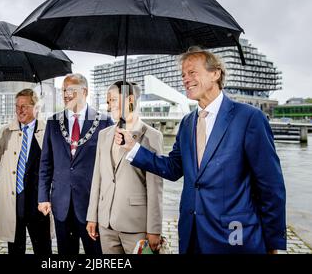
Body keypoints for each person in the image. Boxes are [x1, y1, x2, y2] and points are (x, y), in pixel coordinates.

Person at [115, 46, 286, 254]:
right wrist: (133, 148)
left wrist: (274, 243)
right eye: (183, 75)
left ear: (215, 73)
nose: (185, 79)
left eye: (192, 72)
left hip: (236, 237)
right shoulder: (187, 122)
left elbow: (270, 186)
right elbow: (172, 168)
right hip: (191, 233)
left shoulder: (249, 118)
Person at [38, 73, 114, 255]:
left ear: (85, 91)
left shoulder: (104, 122)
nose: (65, 94)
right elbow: (45, 164)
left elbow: (111, 167)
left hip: (91, 207)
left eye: (70, 90)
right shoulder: (53, 122)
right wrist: (43, 196)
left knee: (96, 255)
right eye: (64, 90)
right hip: (61, 205)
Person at [86, 81, 164, 254]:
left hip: (136, 226)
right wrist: (92, 216)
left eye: (112, 100)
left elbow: (155, 187)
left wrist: (154, 229)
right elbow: (97, 178)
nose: (108, 107)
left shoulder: (152, 136)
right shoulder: (104, 135)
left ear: (129, 100)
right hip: (106, 225)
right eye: (108, 102)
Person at [0, 88, 52, 254]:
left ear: (36, 107)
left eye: (24, 106)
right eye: (17, 106)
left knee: (43, 248)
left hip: (39, 202)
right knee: (15, 249)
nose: (19, 110)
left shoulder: (48, 131)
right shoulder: (6, 131)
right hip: (14, 201)